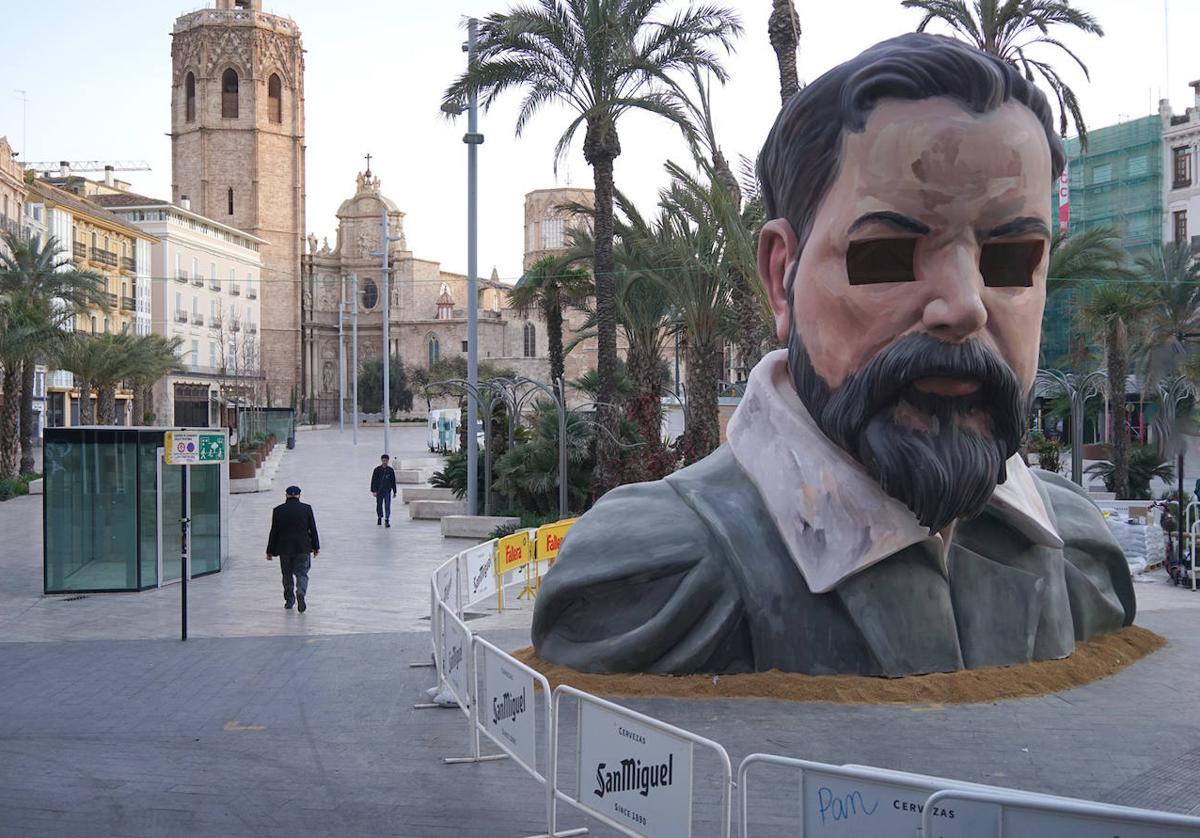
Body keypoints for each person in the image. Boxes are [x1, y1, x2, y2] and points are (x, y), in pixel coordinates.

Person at [531, 33, 1134, 678]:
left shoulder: (1080, 554)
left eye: (1011, 260)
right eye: (888, 256)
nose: (964, 306)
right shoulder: (655, 580)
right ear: (781, 274)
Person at [266, 485, 320, 612]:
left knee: (287, 574)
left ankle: (289, 600)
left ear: (286, 495)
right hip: (303, 547)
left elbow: (274, 531)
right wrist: (316, 547)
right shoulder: (306, 509)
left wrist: (269, 550)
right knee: (302, 573)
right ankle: (300, 592)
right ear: (299, 495)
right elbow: (312, 528)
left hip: (284, 548)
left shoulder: (278, 510)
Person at [370, 453, 398, 526]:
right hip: (379, 491)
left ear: (388, 461)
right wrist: (374, 490)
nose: (384, 462)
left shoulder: (390, 470)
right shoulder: (377, 470)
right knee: (379, 505)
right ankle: (379, 517)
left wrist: (394, 491)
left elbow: (393, 481)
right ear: (381, 460)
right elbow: (374, 480)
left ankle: (387, 519)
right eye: (383, 460)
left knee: (387, 505)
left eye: (386, 460)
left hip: (387, 491)